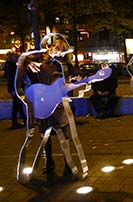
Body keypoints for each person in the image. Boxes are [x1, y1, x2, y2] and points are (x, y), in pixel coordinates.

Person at [15, 33, 82, 182]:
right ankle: (48, 162)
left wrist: (78, 77)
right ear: (49, 46)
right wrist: (27, 64)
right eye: (55, 47)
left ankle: (68, 165)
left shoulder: (64, 64)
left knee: (65, 136)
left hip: (59, 105)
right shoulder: (40, 59)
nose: (56, 50)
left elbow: (76, 74)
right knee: (44, 136)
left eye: (60, 48)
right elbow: (21, 61)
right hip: (43, 104)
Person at [4, 40, 26, 129]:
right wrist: (12, 89)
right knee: (17, 105)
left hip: (16, 87)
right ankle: (20, 121)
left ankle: (19, 121)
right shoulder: (11, 67)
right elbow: (10, 79)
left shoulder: (11, 66)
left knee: (17, 104)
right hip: (16, 88)